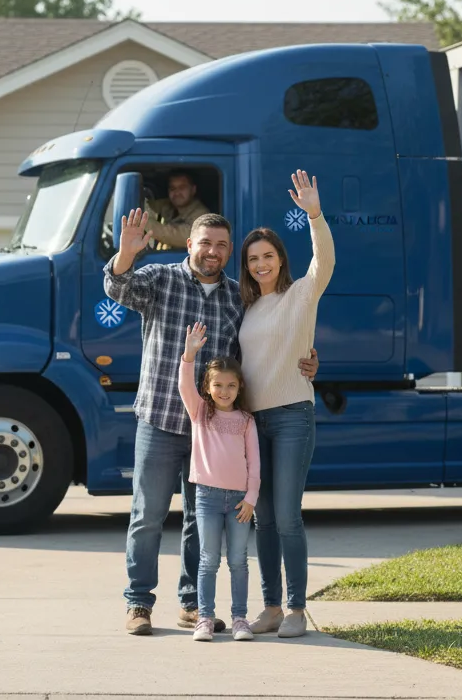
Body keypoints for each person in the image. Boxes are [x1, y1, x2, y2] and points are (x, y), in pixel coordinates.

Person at [103, 208, 319, 637]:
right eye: (206, 243)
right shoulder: (160, 279)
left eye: (222, 245)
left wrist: (309, 359)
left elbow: (270, 342)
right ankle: (138, 604)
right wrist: (125, 254)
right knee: (147, 514)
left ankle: (190, 604)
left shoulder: (240, 296)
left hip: (214, 431)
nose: (213, 252)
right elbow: (117, 288)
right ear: (190, 245)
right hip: (164, 417)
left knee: (197, 521)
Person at [239, 169, 335, 639]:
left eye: (268, 256)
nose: (261, 264)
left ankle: (297, 609)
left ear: (281, 259)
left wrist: (314, 214)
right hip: (253, 422)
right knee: (264, 517)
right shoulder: (246, 308)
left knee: (288, 515)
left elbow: (325, 261)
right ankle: (271, 607)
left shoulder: (302, 293)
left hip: (294, 415)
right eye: (254, 258)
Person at [178, 321, 260, 642]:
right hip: (208, 498)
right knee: (208, 559)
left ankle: (240, 619)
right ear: (208, 387)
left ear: (239, 388)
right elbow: (185, 386)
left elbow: (254, 463)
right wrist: (189, 355)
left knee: (238, 560)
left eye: (231, 386)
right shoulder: (201, 414)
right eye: (218, 386)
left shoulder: (246, 421)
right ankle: (206, 619)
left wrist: (251, 497)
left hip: (240, 500)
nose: (224, 392)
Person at [145, 170, 211, 250]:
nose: (176, 192)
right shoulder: (168, 206)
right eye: (172, 188)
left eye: (182, 187)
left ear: (193, 190)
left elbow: (176, 235)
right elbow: (147, 205)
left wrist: (141, 222)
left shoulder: (203, 216)